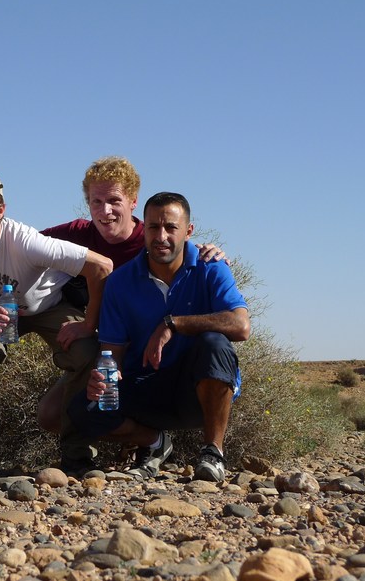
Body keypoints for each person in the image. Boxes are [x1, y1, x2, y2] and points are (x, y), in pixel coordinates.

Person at [0, 170, 113, 476]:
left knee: (85, 350)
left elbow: (101, 266)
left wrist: (89, 323)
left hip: (47, 306)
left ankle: (77, 456)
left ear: (1, 211)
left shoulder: (27, 242)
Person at [68, 191, 250, 482]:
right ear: (144, 229)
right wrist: (103, 379)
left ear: (188, 231)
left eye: (171, 228)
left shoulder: (210, 268)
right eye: (153, 227)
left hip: (196, 393)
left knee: (214, 343)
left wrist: (173, 323)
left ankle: (213, 452)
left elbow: (241, 326)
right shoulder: (120, 282)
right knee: (84, 409)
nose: (161, 236)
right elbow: (111, 354)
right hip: (147, 388)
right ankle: (154, 442)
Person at [38, 156, 227, 436]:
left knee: (211, 348)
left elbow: (184, 254)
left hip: (161, 352)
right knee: (53, 415)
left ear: (133, 201)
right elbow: (24, 243)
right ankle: (148, 441)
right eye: (96, 202)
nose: (105, 211)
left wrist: (209, 254)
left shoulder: (153, 241)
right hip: (112, 348)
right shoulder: (77, 234)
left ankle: (210, 447)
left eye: (115, 201)